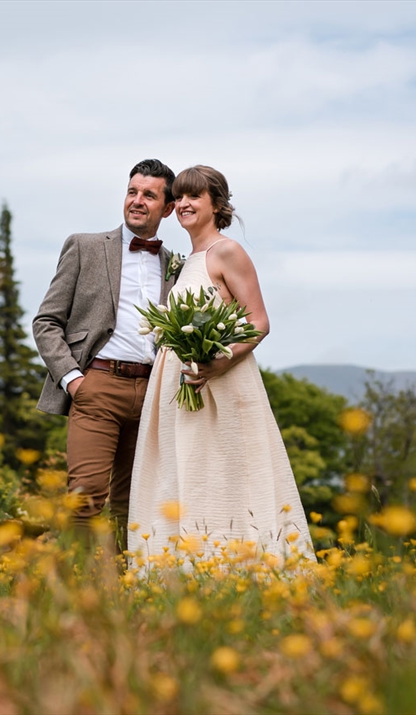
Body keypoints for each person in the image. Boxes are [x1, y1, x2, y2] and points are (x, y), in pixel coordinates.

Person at [127, 165, 314, 570]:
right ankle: (179, 568)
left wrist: (214, 364)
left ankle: (235, 567)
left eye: (195, 196)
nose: (184, 204)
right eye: (180, 197)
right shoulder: (187, 261)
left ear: (217, 204)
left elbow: (258, 321)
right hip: (180, 386)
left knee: (218, 473)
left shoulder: (227, 252)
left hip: (218, 384)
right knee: (182, 474)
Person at [32, 159, 179, 550]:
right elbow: (46, 322)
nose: (137, 200)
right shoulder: (85, 246)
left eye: (149, 195)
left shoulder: (175, 266)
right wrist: (74, 381)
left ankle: (122, 595)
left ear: (167, 208)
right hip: (96, 387)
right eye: (132, 191)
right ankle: (77, 590)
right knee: (85, 497)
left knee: (134, 506)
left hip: (151, 395)